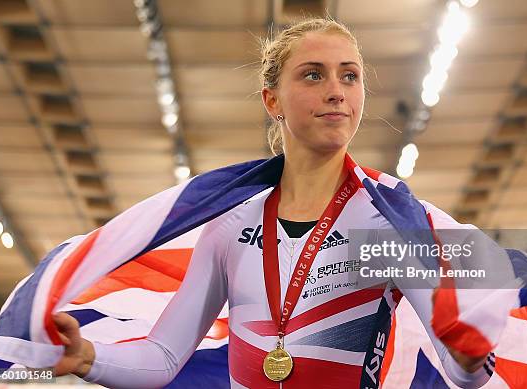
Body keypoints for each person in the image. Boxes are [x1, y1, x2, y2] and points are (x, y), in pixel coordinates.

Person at [51, 18, 493, 388]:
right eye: (314, 74)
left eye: (350, 75)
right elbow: (164, 355)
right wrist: (87, 357)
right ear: (272, 100)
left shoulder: (392, 219)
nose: (337, 91)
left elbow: (463, 373)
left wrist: (469, 351)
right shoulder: (230, 224)